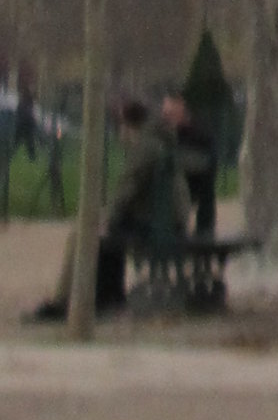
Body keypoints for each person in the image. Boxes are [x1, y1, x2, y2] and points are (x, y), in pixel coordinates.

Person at [32, 98, 174, 321]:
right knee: (98, 230)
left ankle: (65, 301)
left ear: (126, 126)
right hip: (159, 217)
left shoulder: (145, 148)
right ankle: (106, 295)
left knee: (81, 233)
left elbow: (127, 189)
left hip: (152, 222)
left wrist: (107, 219)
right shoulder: (156, 142)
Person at [165, 90, 218, 239]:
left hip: (197, 180)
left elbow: (207, 161)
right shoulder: (168, 131)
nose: (168, 115)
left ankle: (204, 231)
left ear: (181, 104)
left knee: (205, 188)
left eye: (170, 110)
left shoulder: (199, 130)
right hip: (177, 181)